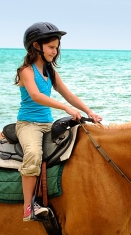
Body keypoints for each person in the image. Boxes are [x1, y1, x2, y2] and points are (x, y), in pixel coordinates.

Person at [15, 22, 102, 222]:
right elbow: (36, 96)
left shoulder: (50, 72)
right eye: (51, 47)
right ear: (37, 46)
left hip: (48, 123)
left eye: (56, 47)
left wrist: (89, 111)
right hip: (28, 124)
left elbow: (68, 95)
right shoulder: (26, 71)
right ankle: (28, 208)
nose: (55, 51)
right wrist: (64, 108)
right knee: (33, 154)